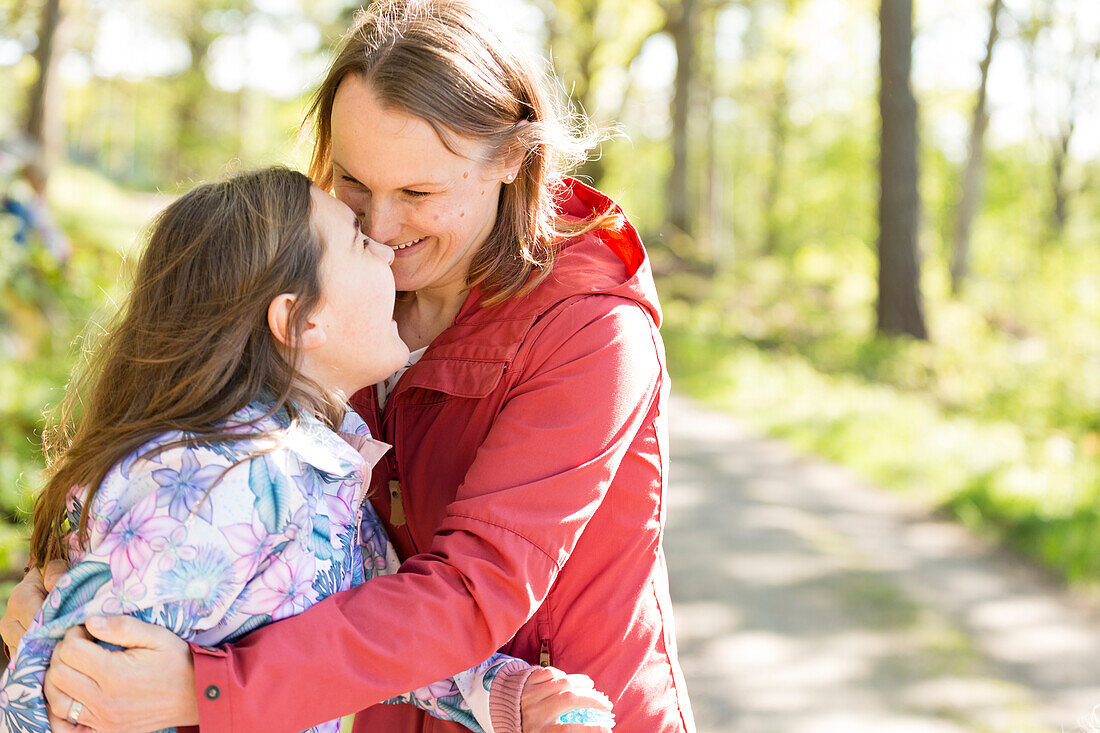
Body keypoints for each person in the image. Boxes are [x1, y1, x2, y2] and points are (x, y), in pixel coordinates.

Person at [2, 0, 696, 730]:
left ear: (512, 159)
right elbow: (187, 531)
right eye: (355, 185)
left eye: (419, 193)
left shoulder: (589, 329)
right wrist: (60, 611)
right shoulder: (341, 296)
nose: (385, 229)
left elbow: (469, 588)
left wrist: (207, 687)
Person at [0, 167, 612, 733]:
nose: (384, 246)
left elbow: (370, 633)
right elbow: (82, 688)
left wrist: (508, 694)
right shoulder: (213, 483)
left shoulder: (320, 470)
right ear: (297, 321)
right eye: (356, 240)